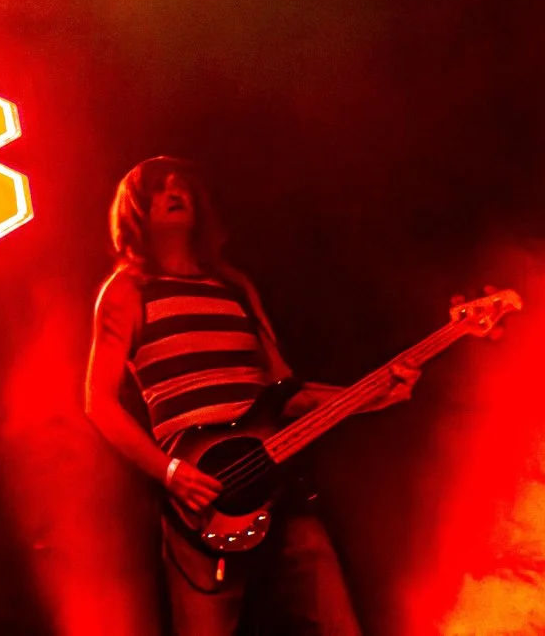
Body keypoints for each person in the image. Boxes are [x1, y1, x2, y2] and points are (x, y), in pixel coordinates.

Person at [83, 157, 415, 636]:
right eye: (157, 188)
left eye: (182, 185)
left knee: (339, 624)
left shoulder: (235, 287)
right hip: (199, 499)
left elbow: (286, 394)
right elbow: (98, 401)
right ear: (134, 210)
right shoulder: (126, 290)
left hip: (277, 483)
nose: (175, 192)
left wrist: (374, 395)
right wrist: (171, 473)